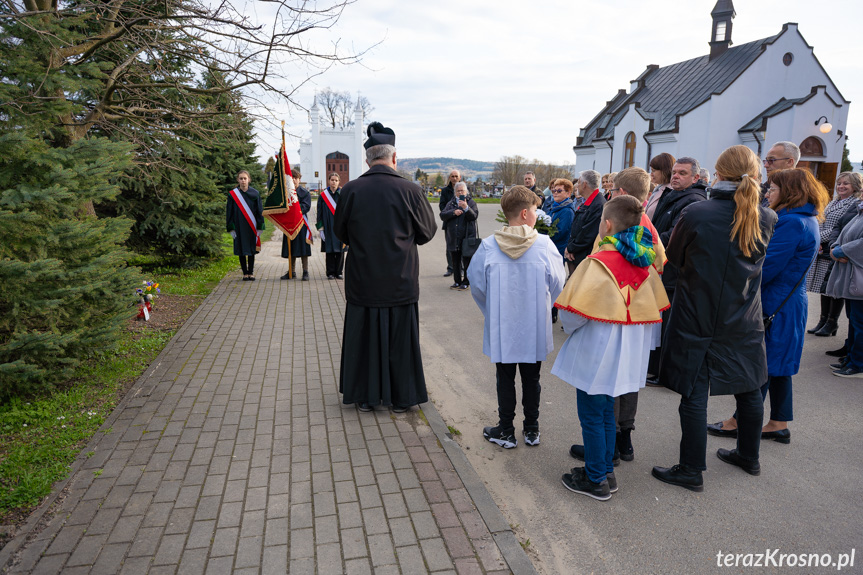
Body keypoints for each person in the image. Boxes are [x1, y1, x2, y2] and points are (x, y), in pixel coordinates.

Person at [652, 145, 777, 492]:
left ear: (718, 173)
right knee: (749, 387)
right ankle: (748, 455)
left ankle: (692, 468)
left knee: (694, 391)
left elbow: (673, 258)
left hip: (698, 313)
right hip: (744, 314)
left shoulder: (698, 213)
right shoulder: (766, 215)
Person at [553, 195, 669, 500]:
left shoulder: (596, 263)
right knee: (605, 411)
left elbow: (571, 314)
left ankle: (595, 480)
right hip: (627, 352)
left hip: (596, 348)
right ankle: (605, 471)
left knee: (592, 413)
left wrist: (571, 329)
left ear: (606, 225)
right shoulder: (645, 263)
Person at [707, 168, 826, 444]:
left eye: (773, 188)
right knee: (779, 366)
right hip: (788, 302)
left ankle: (739, 421)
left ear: (789, 192)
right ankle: (778, 423)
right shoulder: (805, 219)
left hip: (776, 302)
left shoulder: (793, 222)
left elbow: (767, 266)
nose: (768, 192)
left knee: (761, 365)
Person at [334, 122, 437, 412]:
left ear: (367, 160)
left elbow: (340, 232)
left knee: (364, 338)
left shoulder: (351, 190)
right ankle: (401, 398)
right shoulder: (411, 190)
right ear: (394, 158)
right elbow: (428, 232)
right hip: (400, 279)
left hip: (363, 279)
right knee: (400, 341)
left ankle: (366, 397)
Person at [569, 167, 666, 465]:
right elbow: (660, 261)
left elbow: (589, 291)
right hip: (637, 318)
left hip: (608, 320)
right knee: (625, 381)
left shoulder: (616, 234)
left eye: (612, 188)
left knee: (603, 395)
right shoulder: (644, 229)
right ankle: (620, 443)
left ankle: (603, 455)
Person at [467, 185, 565, 448]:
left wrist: (492, 311)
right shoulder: (544, 245)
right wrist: (545, 306)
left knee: (505, 377)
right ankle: (532, 429)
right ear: (525, 213)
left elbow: (476, 284)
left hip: (503, 324)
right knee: (532, 378)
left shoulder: (489, 246)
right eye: (535, 209)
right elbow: (558, 281)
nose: (537, 213)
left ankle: (506, 429)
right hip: (534, 324)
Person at [645, 157, 707, 386]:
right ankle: (655, 368)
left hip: (674, 269)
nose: (676, 176)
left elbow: (672, 236)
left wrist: (648, 244)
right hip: (661, 264)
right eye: (675, 172)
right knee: (660, 321)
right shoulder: (671, 194)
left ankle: (664, 372)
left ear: (696, 178)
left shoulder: (693, 200)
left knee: (669, 323)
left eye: (682, 173)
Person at [807, 172, 863, 337]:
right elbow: (822, 220)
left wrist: (819, 240)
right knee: (824, 287)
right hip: (825, 247)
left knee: (834, 287)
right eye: (839, 183)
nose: (841, 187)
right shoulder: (834, 201)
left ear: (855, 186)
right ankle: (823, 320)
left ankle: (832, 321)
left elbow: (840, 227)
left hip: (834, 247)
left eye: (846, 183)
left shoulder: (854, 203)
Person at [825, 197, 863, 378]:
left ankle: (858, 364)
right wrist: (835, 248)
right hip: (853, 279)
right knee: (855, 320)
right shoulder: (859, 210)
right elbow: (843, 231)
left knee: (860, 322)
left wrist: (840, 251)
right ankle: (852, 358)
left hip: (859, 279)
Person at [564, 170, 606, 274]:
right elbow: (576, 227)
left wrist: (571, 248)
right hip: (578, 255)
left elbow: (588, 234)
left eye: (578, 182)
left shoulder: (598, 205)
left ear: (584, 184)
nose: (576, 186)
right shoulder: (588, 202)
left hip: (586, 257)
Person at [226, 170, 264, 281]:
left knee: (251, 249)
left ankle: (251, 272)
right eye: (241, 178)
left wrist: (260, 226)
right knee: (241, 248)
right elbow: (229, 212)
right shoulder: (233, 195)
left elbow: (259, 211)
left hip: (251, 226)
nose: (243, 181)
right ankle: (244, 273)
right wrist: (231, 227)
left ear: (249, 180)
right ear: (238, 180)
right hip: (238, 226)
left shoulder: (255, 193)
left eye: (245, 178)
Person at [440, 181, 479, 291]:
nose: (460, 192)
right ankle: (457, 281)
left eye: (462, 190)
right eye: (458, 191)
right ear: (455, 192)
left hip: (467, 236)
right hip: (454, 236)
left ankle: (466, 282)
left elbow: (474, 216)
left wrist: (466, 208)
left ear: (466, 191)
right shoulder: (451, 203)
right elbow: (442, 215)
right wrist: (453, 212)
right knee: (455, 260)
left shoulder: (471, 202)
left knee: (466, 260)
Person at [281, 169, 312, 281]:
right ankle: (291, 271)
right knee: (291, 247)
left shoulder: (305, 193)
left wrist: (294, 210)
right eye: (291, 178)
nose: (293, 180)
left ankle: (305, 271)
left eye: (295, 178)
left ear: (299, 179)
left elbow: (306, 207)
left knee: (303, 248)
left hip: (301, 223)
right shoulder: (285, 193)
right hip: (290, 224)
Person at [317, 173, 347, 279]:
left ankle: (338, 272)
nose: (333, 182)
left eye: (336, 180)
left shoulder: (343, 194)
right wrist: (320, 229)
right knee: (329, 250)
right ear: (329, 181)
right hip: (328, 226)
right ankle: (330, 272)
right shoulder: (323, 195)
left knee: (340, 250)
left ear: (339, 182)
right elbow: (319, 212)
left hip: (340, 227)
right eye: (332, 180)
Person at [440, 170, 461, 277]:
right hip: (449, 222)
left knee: (461, 245)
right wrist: (452, 213)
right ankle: (450, 268)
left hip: (461, 222)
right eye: (452, 176)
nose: (454, 178)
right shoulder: (445, 191)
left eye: (456, 176)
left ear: (460, 177)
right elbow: (442, 206)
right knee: (450, 245)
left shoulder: (464, 190)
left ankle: (461, 268)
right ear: (449, 178)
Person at [645, 153, 675, 219]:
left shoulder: (671, 191)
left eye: (653, 171)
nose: (651, 174)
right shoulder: (659, 188)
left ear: (664, 170)